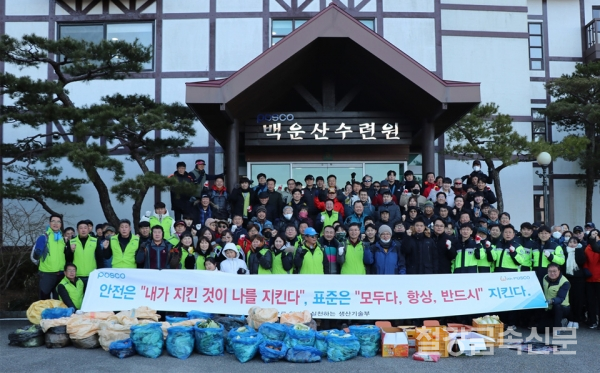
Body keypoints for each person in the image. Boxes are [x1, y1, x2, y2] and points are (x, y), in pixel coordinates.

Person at [34, 214, 68, 300]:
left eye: (58, 222)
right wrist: (38, 252)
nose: (56, 223)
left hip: (60, 274)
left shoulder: (62, 239)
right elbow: (36, 256)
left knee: (59, 300)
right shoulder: (44, 237)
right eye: (53, 221)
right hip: (47, 274)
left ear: (61, 224)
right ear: (49, 223)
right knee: (44, 300)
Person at [537, 263, 571, 335]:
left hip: (562, 308)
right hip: (549, 307)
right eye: (550, 271)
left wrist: (552, 301)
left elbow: (561, 298)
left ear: (559, 271)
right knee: (540, 329)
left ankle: (557, 328)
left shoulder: (565, 282)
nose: (552, 273)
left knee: (557, 306)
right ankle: (560, 323)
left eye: (554, 271)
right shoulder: (545, 278)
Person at [66, 220, 102, 286]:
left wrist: (99, 273)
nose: (83, 230)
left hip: (91, 275)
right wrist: (71, 251)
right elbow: (68, 259)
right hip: (76, 275)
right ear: (77, 230)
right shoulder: (71, 241)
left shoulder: (95, 241)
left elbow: (99, 258)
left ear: (88, 229)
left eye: (85, 228)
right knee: (78, 296)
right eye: (81, 228)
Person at [563, 236, 586, 328]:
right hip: (567, 278)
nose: (572, 244)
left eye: (575, 242)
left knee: (578, 300)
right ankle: (570, 319)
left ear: (578, 244)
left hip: (579, 279)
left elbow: (582, 261)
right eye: (570, 242)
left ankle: (576, 319)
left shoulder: (580, 251)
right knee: (569, 299)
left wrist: (578, 250)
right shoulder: (564, 251)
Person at [584, 229, 600, 328]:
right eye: (592, 234)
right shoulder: (587, 247)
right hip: (589, 278)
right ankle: (592, 320)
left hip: (599, 278)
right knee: (590, 301)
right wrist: (585, 269)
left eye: (596, 234)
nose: (594, 236)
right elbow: (584, 260)